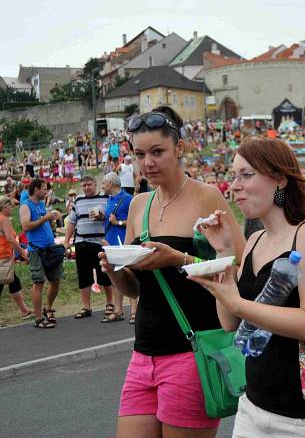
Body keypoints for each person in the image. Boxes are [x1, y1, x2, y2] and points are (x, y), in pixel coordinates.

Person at [189, 135, 305, 437]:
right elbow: (230, 322)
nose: (235, 186)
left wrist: (239, 304)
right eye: (234, 176)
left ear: (280, 179)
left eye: (246, 175)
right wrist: (223, 256)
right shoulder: (255, 241)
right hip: (254, 408)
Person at [100, 106, 246, 437]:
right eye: (139, 154)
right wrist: (113, 270)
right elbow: (137, 290)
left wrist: (178, 258)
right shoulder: (139, 204)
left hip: (191, 352)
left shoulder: (206, 196)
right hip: (143, 353)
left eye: (157, 152)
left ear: (179, 148)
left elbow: (238, 267)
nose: (147, 163)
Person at [64, 175, 115, 322]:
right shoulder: (78, 201)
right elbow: (72, 222)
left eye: (89, 185)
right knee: (83, 276)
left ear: (95, 185)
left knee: (104, 274)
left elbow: (112, 218)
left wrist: (102, 217)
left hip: (100, 242)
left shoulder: (106, 199)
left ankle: (109, 303)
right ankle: (86, 306)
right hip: (82, 242)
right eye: (84, 185)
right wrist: (67, 241)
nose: (86, 188)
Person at [0, 196, 32, 325]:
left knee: (13, 282)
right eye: (10, 206)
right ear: (5, 207)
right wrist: (23, 253)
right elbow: (10, 238)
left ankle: (24, 310)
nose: (12, 209)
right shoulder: (4, 219)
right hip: (2, 257)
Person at [20, 178, 62, 328]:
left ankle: (48, 307)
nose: (46, 191)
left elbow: (41, 223)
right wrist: (45, 218)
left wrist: (50, 220)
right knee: (38, 283)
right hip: (36, 250)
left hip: (49, 248)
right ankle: (38, 318)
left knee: (55, 280)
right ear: (36, 189)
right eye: (44, 188)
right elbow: (26, 226)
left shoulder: (42, 204)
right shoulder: (26, 206)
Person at [100, 172, 134, 323]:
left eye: (104, 183)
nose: (102, 186)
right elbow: (110, 218)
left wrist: (118, 222)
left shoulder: (127, 199)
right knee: (115, 278)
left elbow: (134, 220)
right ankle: (118, 310)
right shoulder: (109, 200)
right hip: (111, 242)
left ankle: (134, 311)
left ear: (111, 184)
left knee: (129, 274)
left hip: (124, 242)